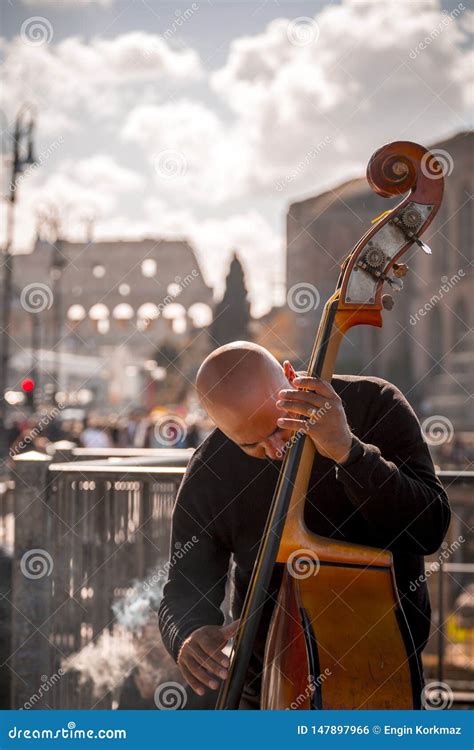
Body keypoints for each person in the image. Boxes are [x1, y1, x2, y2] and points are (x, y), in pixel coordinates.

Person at [158, 341, 450, 709]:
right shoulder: (211, 468)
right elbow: (183, 588)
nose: (276, 449)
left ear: (291, 376)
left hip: (382, 678)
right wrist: (187, 633)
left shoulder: (374, 403)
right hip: (266, 689)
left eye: (280, 428)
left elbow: (430, 528)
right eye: (253, 445)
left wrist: (349, 452)